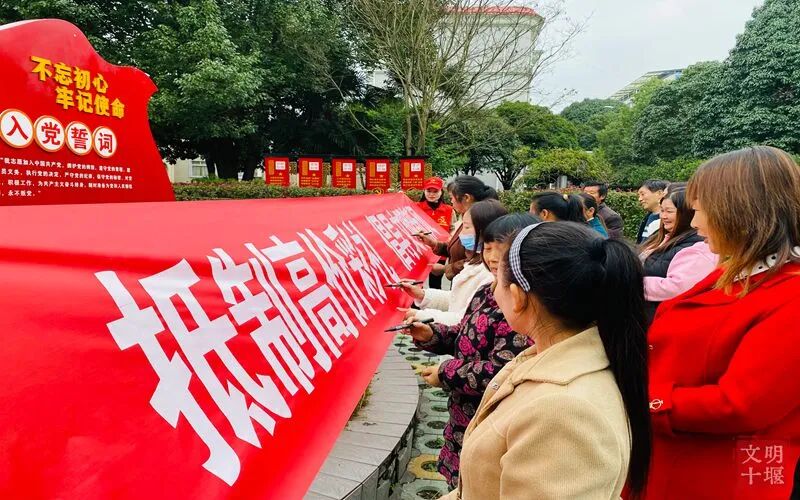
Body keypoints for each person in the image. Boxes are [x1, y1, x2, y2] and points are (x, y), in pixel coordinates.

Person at [444, 221, 651, 499]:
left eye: (497, 281)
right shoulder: (549, 359)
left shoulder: (563, 411)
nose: (492, 290)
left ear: (517, 297)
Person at [645, 146, 800, 500]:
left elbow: (742, 404)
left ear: (739, 212)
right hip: (679, 459)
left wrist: (649, 401)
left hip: (721, 475)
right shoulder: (739, 270)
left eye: (700, 211)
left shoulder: (790, 293)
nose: (694, 224)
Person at [404, 213, 538, 489]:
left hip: (492, 420)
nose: (492, 257)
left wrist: (446, 372)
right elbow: (465, 332)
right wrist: (431, 335)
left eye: (501, 249)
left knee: (480, 484)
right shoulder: (486, 290)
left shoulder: (524, 305)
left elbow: (502, 372)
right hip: (462, 416)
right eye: (487, 247)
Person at [401, 200, 507, 325]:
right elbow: (458, 299)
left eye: (466, 227)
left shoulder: (491, 275)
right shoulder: (475, 262)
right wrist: (422, 295)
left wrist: (419, 315)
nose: (461, 234)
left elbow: (466, 321)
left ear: (485, 232)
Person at [639, 189, 717, 322]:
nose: (663, 216)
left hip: (663, 318)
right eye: (662, 210)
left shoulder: (698, 247)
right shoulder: (662, 236)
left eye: (669, 211)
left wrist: (632, 282)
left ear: (687, 214)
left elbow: (676, 287)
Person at [414, 176, 498, 281]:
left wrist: (446, 269)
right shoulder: (467, 216)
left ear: (466, 198)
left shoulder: (482, 219)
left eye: (452, 197)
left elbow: (477, 259)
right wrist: (434, 244)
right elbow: (456, 247)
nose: (451, 201)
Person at [416, 176, 455, 289]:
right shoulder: (416, 207)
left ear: (441, 192)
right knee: (417, 282)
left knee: (435, 283)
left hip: (439, 252)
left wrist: (450, 239)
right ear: (424, 191)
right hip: (420, 251)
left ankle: (433, 300)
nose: (431, 194)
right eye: (429, 191)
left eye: (435, 191)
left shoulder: (449, 210)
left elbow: (453, 229)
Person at [636, 180, 668, 244]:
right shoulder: (649, 217)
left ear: (659, 194)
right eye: (639, 196)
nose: (640, 199)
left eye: (643, 194)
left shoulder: (666, 221)